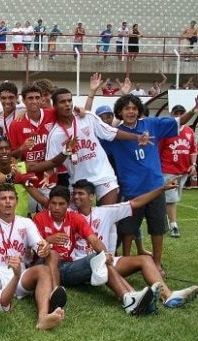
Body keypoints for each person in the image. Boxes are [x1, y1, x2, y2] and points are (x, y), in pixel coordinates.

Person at [71, 179, 198, 309]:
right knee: (102, 262)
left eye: (80, 193)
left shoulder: (105, 212)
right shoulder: (68, 214)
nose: (76, 197)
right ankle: (134, 299)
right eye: (74, 193)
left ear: (92, 196)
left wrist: (162, 189)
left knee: (145, 259)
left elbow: (135, 203)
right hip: (81, 265)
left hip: (107, 261)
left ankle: (168, 296)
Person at [107, 94, 198, 274]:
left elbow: (177, 122)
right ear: (120, 111)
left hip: (156, 188)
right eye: (126, 108)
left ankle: (156, 263)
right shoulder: (114, 135)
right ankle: (126, 262)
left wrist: (194, 110)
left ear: (139, 110)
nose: (131, 111)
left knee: (157, 227)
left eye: (134, 108)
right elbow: (97, 135)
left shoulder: (151, 125)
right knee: (128, 229)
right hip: (131, 190)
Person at [33, 186, 156, 315]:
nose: (56, 208)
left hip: (67, 268)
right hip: (45, 267)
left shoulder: (75, 218)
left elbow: (93, 239)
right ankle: (54, 296)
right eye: (53, 203)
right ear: (49, 203)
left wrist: (105, 254)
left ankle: (129, 298)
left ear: (68, 204)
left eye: (61, 204)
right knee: (52, 254)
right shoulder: (39, 218)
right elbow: (31, 247)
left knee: (100, 258)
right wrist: (48, 240)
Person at [0, 184, 66, 330]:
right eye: (3, 198)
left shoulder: (26, 223)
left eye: (11, 198)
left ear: (16, 202)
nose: (7, 202)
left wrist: (44, 248)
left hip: (20, 275)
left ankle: (43, 317)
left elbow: (39, 246)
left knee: (43, 270)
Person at [159, 105, 197, 238]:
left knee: (172, 198)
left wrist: (193, 164)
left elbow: (193, 150)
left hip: (184, 170)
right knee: (171, 200)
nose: (179, 115)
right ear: (171, 114)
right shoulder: (166, 131)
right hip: (168, 169)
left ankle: (163, 219)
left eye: (181, 113)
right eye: (176, 113)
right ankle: (173, 225)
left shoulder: (189, 131)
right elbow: (159, 151)